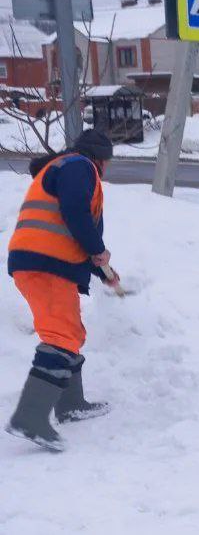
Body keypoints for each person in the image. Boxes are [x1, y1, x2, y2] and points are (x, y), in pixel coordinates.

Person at [5, 128, 119, 452]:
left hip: (42, 263)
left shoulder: (65, 168)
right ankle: (30, 416)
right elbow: (74, 213)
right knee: (59, 337)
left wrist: (103, 270)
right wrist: (98, 248)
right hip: (46, 264)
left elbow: (73, 229)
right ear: (100, 158)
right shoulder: (78, 166)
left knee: (68, 332)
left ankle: (71, 404)